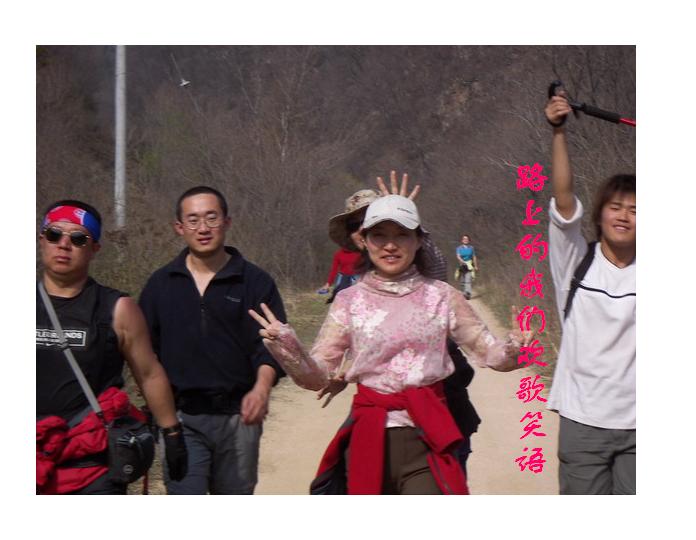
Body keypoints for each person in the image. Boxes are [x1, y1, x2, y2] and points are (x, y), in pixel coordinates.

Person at [250, 194, 532, 495]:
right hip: (368, 435)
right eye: (379, 236)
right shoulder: (349, 301)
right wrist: (288, 347)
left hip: (427, 437)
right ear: (364, 241)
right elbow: (318, 376)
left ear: (419, 240)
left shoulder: (441, 296)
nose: (390, 245)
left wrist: (516, 347)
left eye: (402, 235)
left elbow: (490, 352)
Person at [321, 172, 481, 475]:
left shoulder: (418, 270)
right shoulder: (353, 284)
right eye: (360, 226)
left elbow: (435, 270)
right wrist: (342, 370)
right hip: (382, 409)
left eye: (395, 229)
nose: (385, 238)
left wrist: (407, 215)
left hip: (439, 397)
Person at [139, 186, 287, 495]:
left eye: (211, 218)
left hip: (239, 417)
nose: (203, 228)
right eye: (193, 220)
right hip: (181, 419)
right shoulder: (160, 285)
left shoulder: (255, 281)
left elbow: (272, 346)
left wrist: (261, 389)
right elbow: (144, 355)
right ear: (179, 227)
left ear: (227, 222)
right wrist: (159, 413)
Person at [36, 200, 187, 495]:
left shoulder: (117, 308)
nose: (64, 244)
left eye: (78, 239)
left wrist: (172, 433)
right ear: (42, 240)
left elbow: (149, 373)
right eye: (54, 235)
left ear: (94, 248)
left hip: (93, 464)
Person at [545, 95, 636, 495]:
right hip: (583, 422)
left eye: (636, 210)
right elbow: (564, 202)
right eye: (616, 207)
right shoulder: (575, 262)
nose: (624, 216)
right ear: (599, 213)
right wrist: (559, 132)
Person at [455, 234, 478, 300]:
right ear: (462, 240)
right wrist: (462, 261)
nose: (465, 240)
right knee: (462, 281)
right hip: (462, 266)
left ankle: (468, 293)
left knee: (468, 280)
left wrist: (476, 265)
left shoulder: (471, 248)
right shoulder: (459, 248)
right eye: (464, 239)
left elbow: (474, 257)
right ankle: (464, 293)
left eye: (467, 239)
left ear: (469, 240)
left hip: (469, 265)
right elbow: (458, 256)